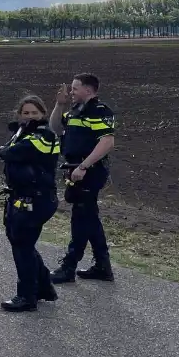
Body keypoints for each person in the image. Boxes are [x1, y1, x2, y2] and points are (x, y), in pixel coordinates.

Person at [0, 95, 61, 312]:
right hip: (20, 197)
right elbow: (12, 151)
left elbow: (17, 152)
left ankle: (26, 297)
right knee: (22, 243)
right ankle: (43, 288)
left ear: (42, 114)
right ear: (19, 115)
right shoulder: (22, 133)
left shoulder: (45, 135)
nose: (30, 116)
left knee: (22, 246)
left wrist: (2, 152)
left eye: (34, 113)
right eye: (26, 113)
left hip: (38, 199)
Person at [48, 73, 117, 283]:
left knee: (81, 219)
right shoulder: (75, 111)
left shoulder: (99, 111)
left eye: (74, 88)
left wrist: (84, 165)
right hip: (76, 170)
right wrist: (59, 105)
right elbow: (55, 127)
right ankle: (102, 266)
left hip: (89, 171)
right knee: (89, 217)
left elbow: (107, 142)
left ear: (88, 90)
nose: (71, 92)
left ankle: (69, 266)